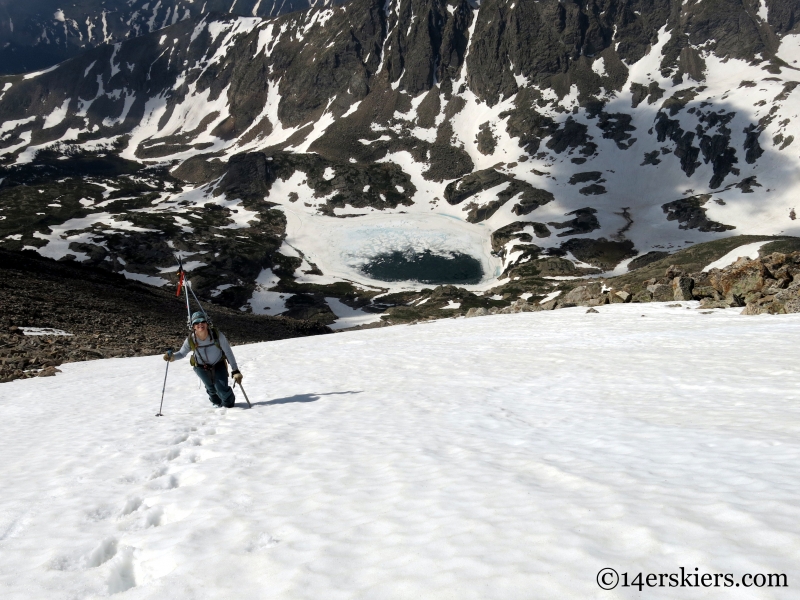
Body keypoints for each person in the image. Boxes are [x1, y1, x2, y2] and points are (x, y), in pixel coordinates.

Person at [164, 311, 243, 408]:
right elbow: (182, 353)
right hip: (201, 368)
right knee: (211, 389)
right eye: (196, 323)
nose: (200, 324)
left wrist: (235, 370)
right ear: (193, 326)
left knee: (221, 388)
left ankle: (229, 405)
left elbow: (228, 352)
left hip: (218, 364)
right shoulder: (190, 339)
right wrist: (172, 357)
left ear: (207, 323)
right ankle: (217, 405)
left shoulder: (217, 335)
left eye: (202, 321)